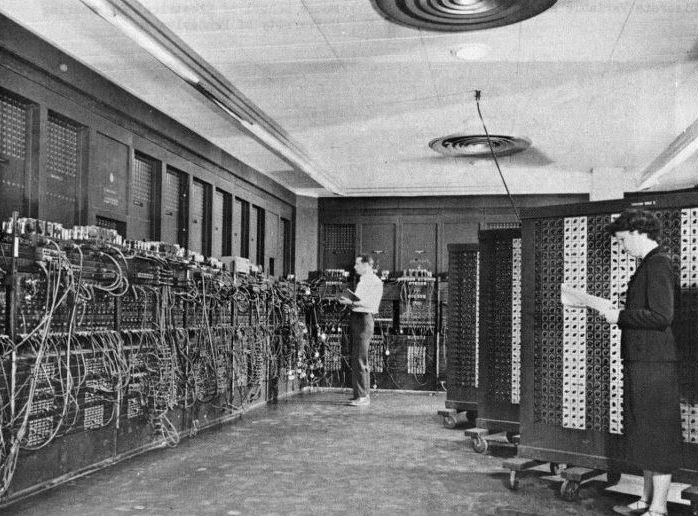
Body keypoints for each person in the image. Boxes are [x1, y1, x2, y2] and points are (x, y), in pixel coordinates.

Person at [601, 209, 683, 516]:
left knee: (657, 434)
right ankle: (646, 498)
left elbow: (662, 316)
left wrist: (620, 316)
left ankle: (658, 508)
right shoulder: (649, 264)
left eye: (623, 240)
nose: (622, 247)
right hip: (644, 362)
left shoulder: (658, 264)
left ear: (638, 232)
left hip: (655, 365)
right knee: (646, 432)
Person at [339, 255, 384, 407]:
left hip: (364, 320)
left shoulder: (374, 281)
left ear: (366, 265)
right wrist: (351, 302)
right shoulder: (363, 280)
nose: (355, 267)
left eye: (357, 264)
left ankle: (363, 396)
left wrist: (351, 302)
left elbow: (371, 304)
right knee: (356, 358)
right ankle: (359, 394)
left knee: (361, 359)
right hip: (358, 319)